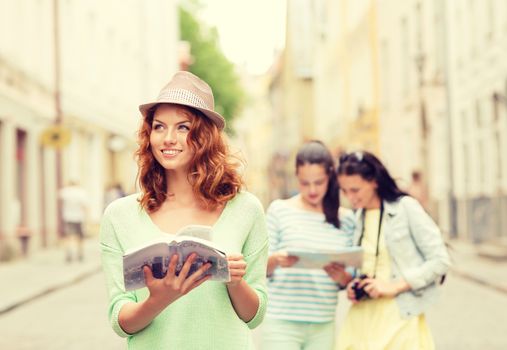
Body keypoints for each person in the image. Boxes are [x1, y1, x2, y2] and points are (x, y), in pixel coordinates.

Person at [99, 71, 269, 349]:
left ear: (204, 136)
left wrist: (235, 281)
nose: (167, 138)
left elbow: (254, 316)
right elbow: (120, 320)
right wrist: (158, 299)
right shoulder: (119, 216)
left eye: (183, 127)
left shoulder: (245, 209)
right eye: (158, 126)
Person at [336, 151, 451, 350]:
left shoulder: (405, 208)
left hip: (399, 316)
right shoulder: (358, 218)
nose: (350, 197)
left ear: (374, 182)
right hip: (361, 318)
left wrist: (393, 286)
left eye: (355, 190)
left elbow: (440, 261)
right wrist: (353, 284)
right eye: (344, 191)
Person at [261, 140, 356, 350]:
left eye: (319, 182)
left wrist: (343, 277)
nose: (312, 190)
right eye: (305, 183)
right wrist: (277, 260)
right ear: (297, 177)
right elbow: (258, 267)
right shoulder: (279, 210)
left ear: (330, 177)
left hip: (323, 322)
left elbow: (352, 276)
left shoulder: (346, 219)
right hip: (281, 322)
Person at [59, 180, 88, 262]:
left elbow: (60, 202)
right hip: (78, 217)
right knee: (80, 237)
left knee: (67, 237)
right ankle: (80, 253)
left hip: (67, 217)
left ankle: (68, 252)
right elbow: (84, 206)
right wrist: (86, 219)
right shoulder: (81, 192)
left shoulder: (65, 192)